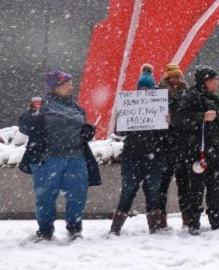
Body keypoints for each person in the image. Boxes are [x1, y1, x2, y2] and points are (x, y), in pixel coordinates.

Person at [18, 71, 101, 241]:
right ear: (57, 86)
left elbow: (81, 126)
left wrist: (87, 130)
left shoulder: (75, 106)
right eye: (68, 83)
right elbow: (25, 127)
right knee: (46, 197)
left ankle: (75, 229)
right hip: (48, 159)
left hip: (76, 158)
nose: (72, 86)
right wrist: (32, 115)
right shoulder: (42, 106)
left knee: (78, 194)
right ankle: (45, 231)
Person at [172, 65, 219, 235]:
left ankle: (215, 220)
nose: (217, 82)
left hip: (215, 149)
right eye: (214, 80)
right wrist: (201, 117)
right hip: (198, 151)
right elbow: (179, 118)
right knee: (196, 188)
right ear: (205, 82)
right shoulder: (191, 97)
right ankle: (194, 222)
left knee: (214, 187)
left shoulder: (214, 98)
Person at [109, 64, 168, 235]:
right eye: (141, 88)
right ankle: (116, 228)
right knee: (128, 191)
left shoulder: (160, 107)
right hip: (133, 156)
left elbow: (166, 134)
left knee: (153, 192)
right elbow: (120, 132)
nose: (144, 91)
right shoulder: (130, 106)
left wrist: (166, 120)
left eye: (147, 88)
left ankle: (154, 226)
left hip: (153, 156)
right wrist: (120, 119)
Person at [157, 63, 189, 230]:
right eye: (173, 77)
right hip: (165, 146)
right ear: (167, 79)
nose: (176, 80)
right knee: (163, 185)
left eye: (178, 77)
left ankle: (186, 218)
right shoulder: (159, 95)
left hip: (181, 145)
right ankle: (161, 219)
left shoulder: (187, 94)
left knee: (184, 184)